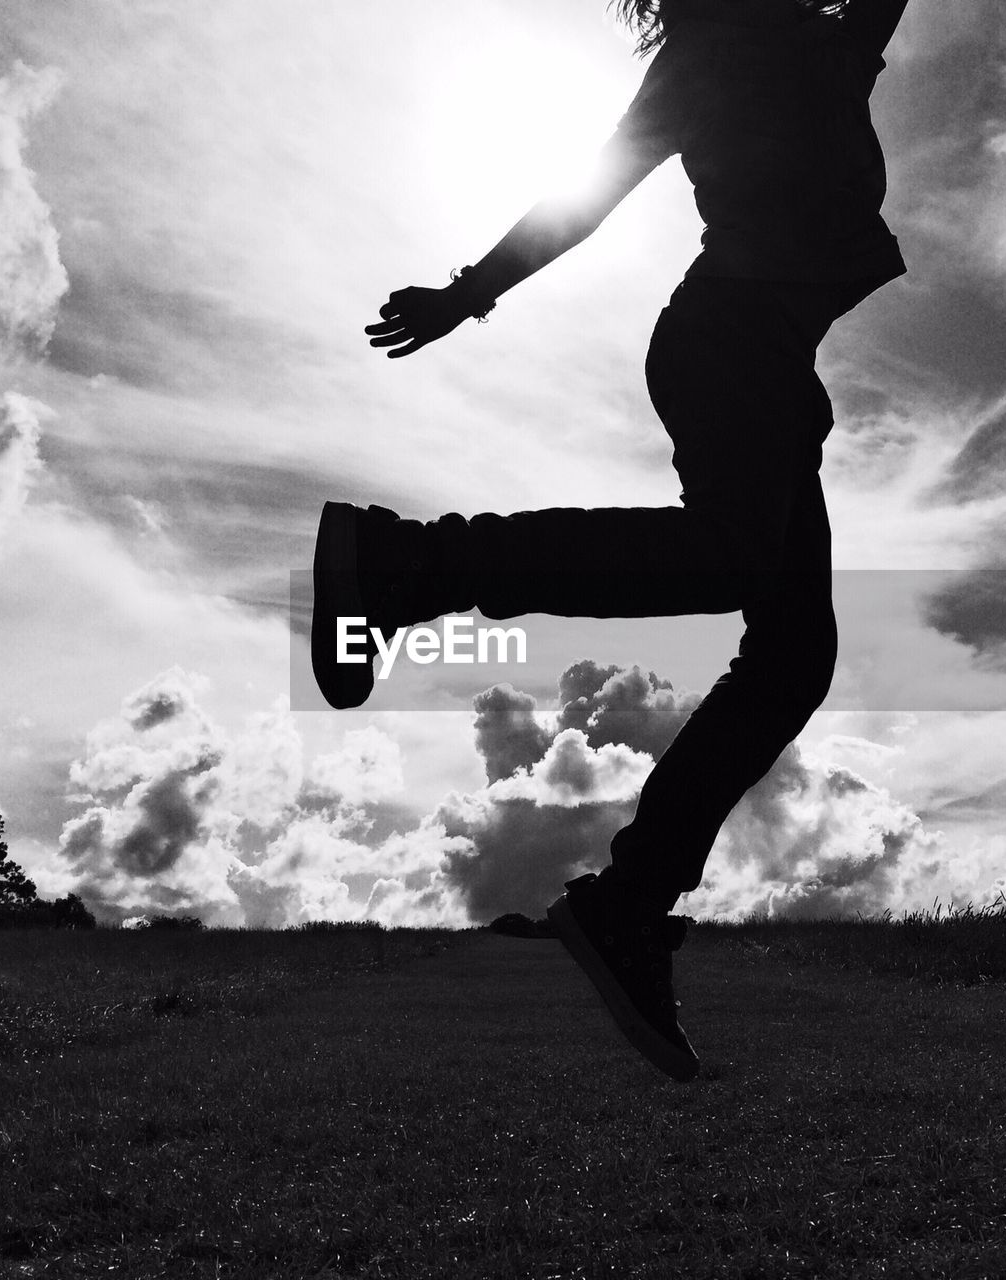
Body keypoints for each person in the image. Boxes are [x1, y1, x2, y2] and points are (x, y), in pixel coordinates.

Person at [312, 0, 911, 1081]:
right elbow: (583, 199)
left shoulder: (828, 41)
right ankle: (405, 564)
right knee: (732, 565)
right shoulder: (711, 53)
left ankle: (629, 901)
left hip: (771, 368)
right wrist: (467, 294)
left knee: (790, 656)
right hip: (725, 344)